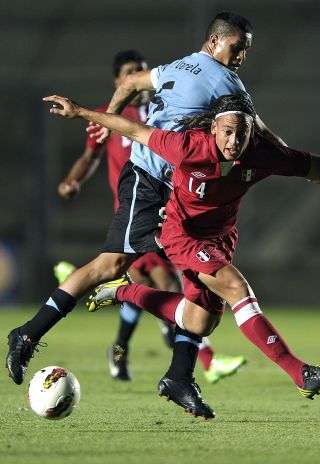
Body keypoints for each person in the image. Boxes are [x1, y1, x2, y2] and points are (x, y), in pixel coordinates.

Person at [41, 92, 320, 419]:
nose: (233, 141)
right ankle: (301, 373)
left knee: (198, 321)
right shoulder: (188, 146)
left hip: (220, 239)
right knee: (236, 288)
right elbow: (133, 128)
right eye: (226, 132)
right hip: (181, 235)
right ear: (213, 128)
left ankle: (121, 291)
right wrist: (80, 112)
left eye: (241, 133)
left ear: (253, 132)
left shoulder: (261, 154)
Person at [6, 12, 286, 392]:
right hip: (150, 180)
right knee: (112, 265)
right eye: (238, 48)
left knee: (192, 276)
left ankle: (181, 376)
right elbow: (262, 134)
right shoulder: (225, 81)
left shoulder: (179, 65)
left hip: (171, 185)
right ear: (215, 42)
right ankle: (28, 333)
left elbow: (131, 82)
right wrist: (287, 159)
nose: (241, 57)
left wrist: (109, 116)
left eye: (246, 50)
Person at [55, 50, 246, 384]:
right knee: (166, 284)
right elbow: (90, 156)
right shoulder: (108, 116)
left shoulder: (164, 113)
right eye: (131, 71)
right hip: (133, 211)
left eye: (141, 70)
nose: (138, 75)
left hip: (165, 209)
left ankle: (123, 349)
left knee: (154, 285)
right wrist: (73, 180)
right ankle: (202, 361)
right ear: (119, 81)